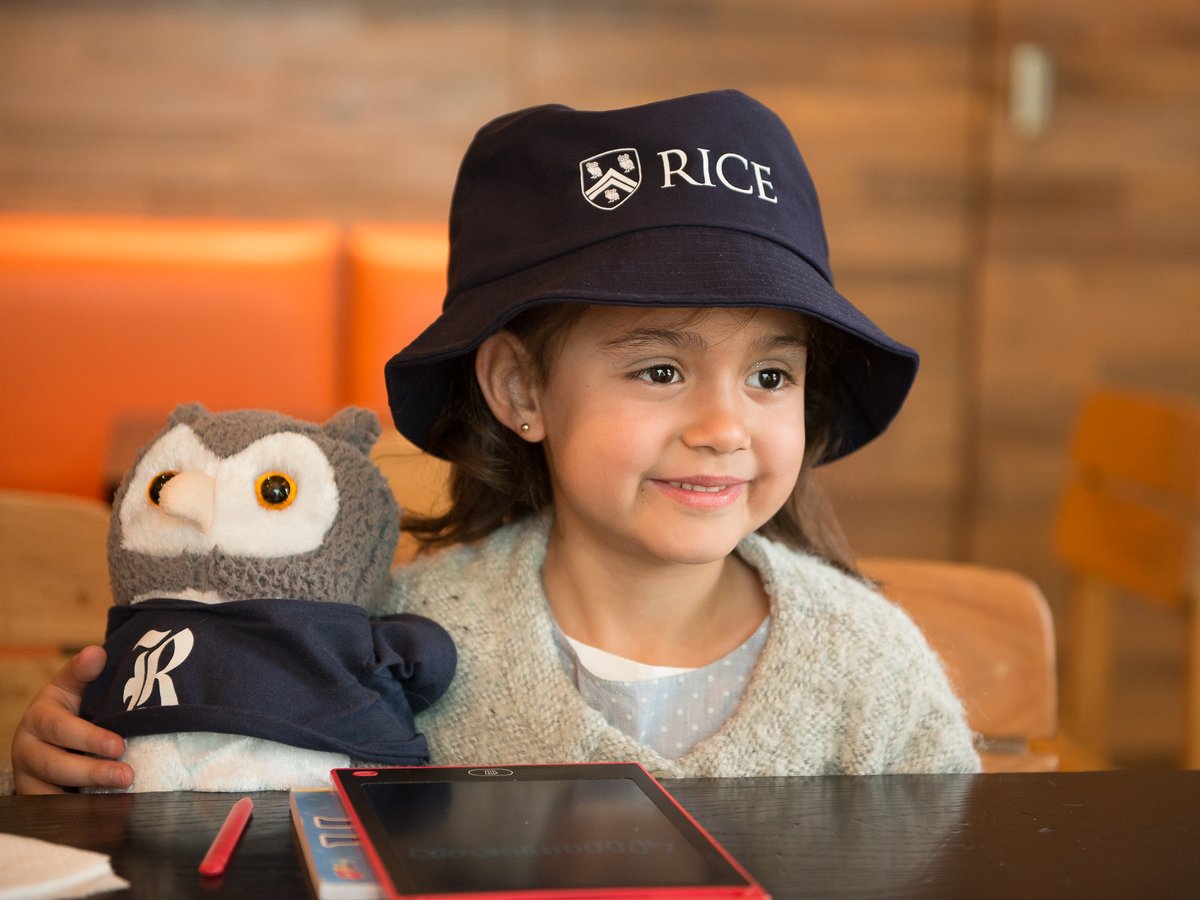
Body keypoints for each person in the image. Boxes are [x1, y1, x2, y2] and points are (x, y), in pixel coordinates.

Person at [10, 90, 979, 793]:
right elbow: (221, 790)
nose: (725, 426)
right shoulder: (396, 647)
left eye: (772, 376)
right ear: (522, 388)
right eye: (660, 370)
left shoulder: (868, 665)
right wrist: (88, 743)